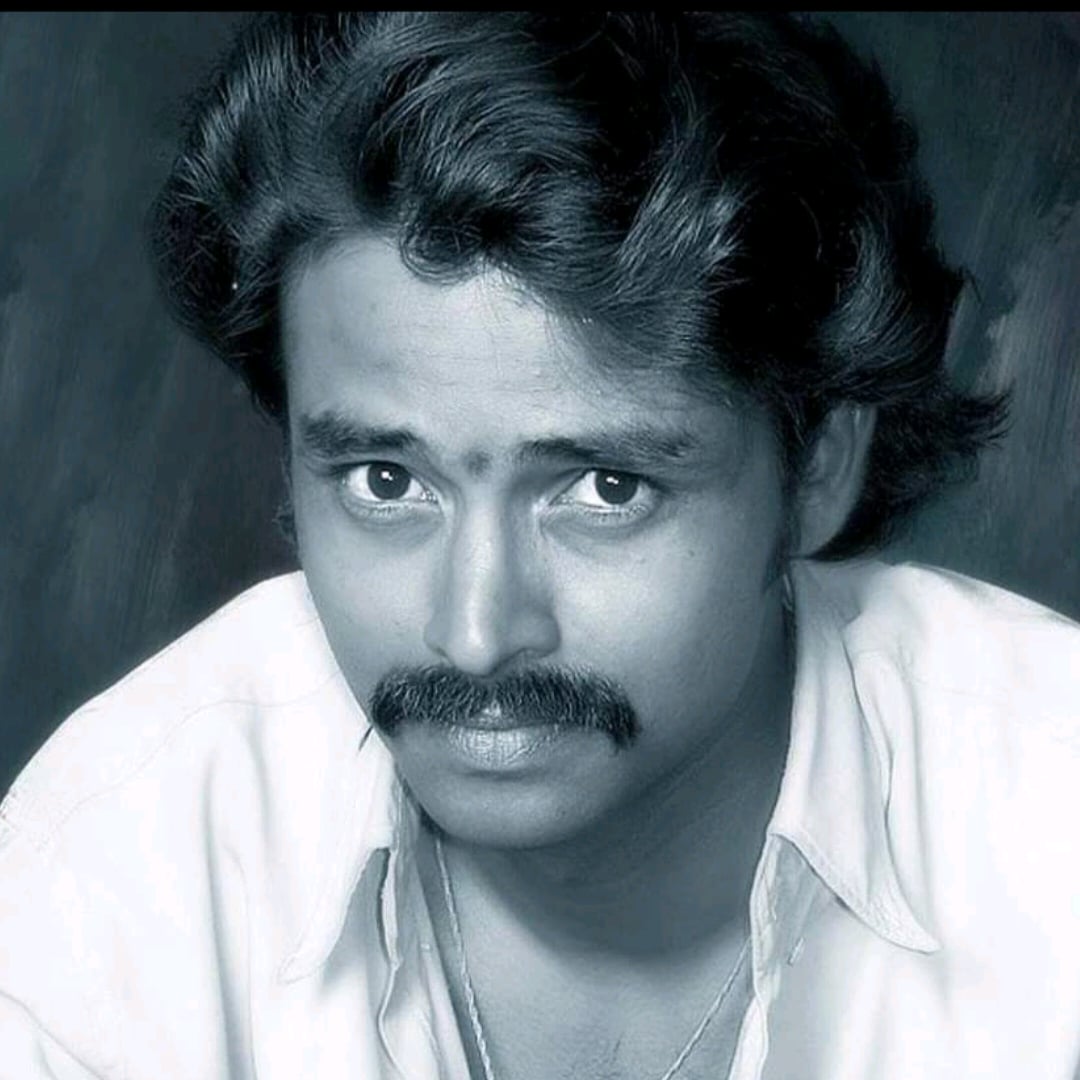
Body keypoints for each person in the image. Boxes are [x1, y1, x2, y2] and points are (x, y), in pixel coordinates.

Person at [1, 11, 1078, 1079]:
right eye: (386, 482)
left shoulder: (1050, 823)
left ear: (816, 474)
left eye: (605, 489)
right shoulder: (114, 872)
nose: (475, 634)